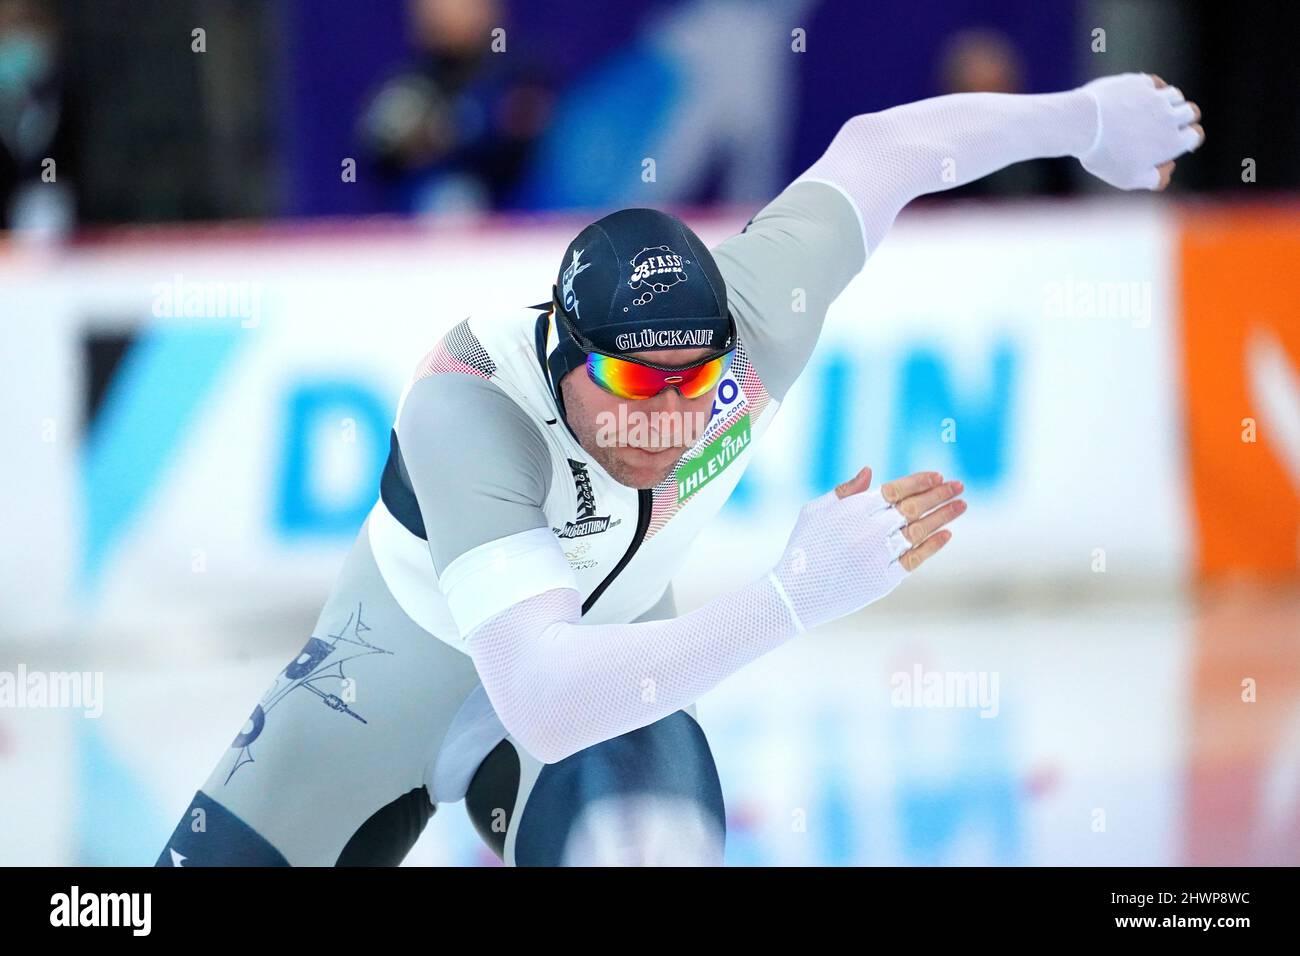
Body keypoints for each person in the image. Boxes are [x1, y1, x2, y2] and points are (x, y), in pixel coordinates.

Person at [158, 72, 1203, 866]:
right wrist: (792, 595)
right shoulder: (469, 403)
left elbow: (887, 149)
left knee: (647, 844)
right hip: (369, 704)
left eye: (693, 383)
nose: (667, 418)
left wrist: (1086, 119)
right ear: (565, 352)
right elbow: (540, 693)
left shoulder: (755, 322)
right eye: (629, 380)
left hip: (616, 680)